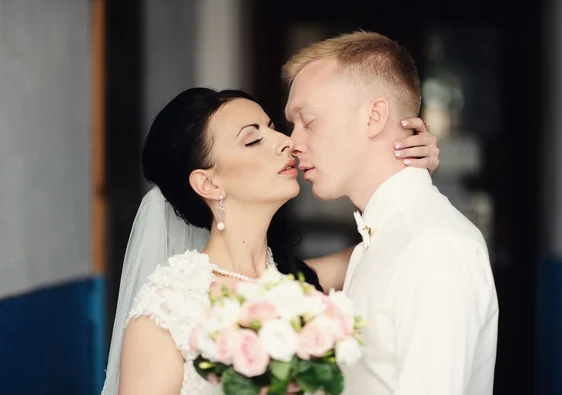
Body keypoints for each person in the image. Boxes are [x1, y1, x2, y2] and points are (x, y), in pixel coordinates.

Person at [101, 87, 440, 394]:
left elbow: (396, 238)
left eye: (271, 128)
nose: (286, 142)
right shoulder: (166, 312)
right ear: (209, 184)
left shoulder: (299, 286)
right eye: (253, 139)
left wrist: (408, 171)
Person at [283, 31, 498, 394]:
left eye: (309, 121)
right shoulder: (378, 240)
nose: (292, 142)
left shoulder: (436, 245)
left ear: (374, 116)